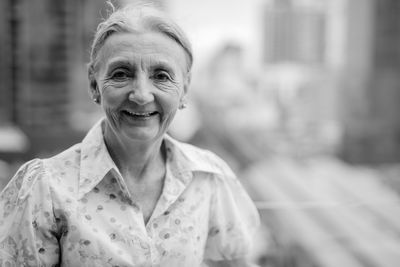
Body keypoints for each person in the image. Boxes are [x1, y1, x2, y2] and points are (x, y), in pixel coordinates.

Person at [0, 3, 260, 266]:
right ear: (94, 84)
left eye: (161, 75)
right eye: (121, 73)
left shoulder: (209, 179)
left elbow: (235, 262)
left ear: (185, 88)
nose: (141, 95)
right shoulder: (44, 188)